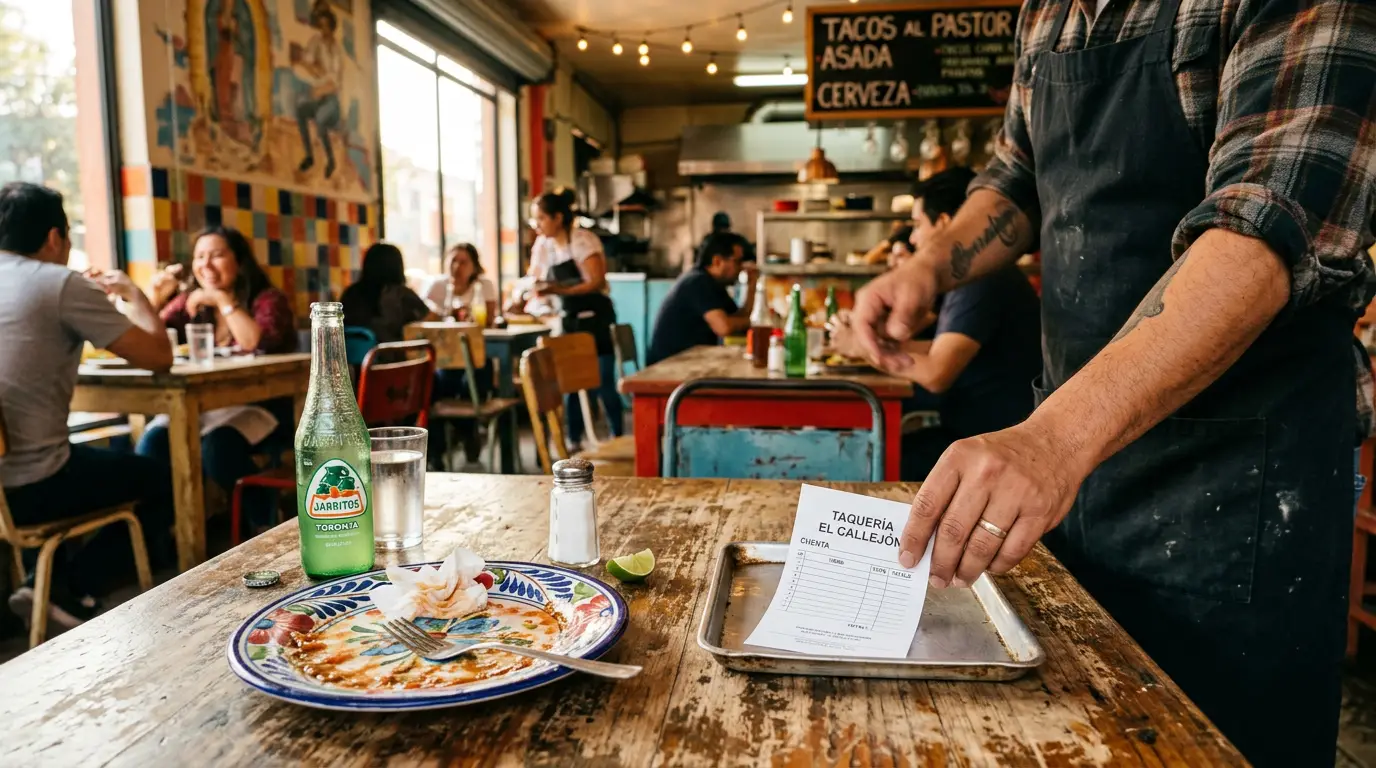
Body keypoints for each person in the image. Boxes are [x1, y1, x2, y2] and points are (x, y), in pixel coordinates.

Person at [848, 1, 1376, 763]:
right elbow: (1016, 177)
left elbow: (1268, 224)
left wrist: (1055, 438)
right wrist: (930, 267)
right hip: (1075, 468)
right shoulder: (1051, 12)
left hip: (1243, 488)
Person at [0, 182, 174, 629]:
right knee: (160, 478)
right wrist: (133, 293)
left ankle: (43, 584)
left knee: (90, 452)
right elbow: (159, 357)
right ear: (55, 238)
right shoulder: (59, 283)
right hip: (33, 487)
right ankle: (68, 588)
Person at [832, 169, 1041, 479]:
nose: (913, 237)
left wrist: (862, 346)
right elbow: (942, 347)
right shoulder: (974, 278)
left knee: (862, 464)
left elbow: (936, 374)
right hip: (977, 434)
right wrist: (874, 338)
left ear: (944, 223)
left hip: (994, 445)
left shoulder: (983, 280)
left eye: (917, 225)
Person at [138, 226, 297, 526]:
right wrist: (153, 300)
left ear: (239, 261)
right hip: (206, 406)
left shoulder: (267, 300)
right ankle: (162, 534)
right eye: (199, 257)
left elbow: (253, 341)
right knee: (154, 441)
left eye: (217, 255)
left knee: (217, 447)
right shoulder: (192, 301)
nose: (206, 265)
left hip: (265, 407)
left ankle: (262, 521)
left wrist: (223, 300)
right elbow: (148, 338)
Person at [525, 188, 622, 448]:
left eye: (541, 219)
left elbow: (596, 280)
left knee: (603, 381)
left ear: (558, 218)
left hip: (595, 318)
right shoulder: (543, 246)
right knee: (568, 383)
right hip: (568, 319)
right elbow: (535, 279)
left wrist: (558, 289)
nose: (537, 225)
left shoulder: (582, 240)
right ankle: (574, 440)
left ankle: (619, 437)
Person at [646, 233, 758, 366]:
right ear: (717, 261)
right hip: (669, 368)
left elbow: (739, 316)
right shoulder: (698, 282)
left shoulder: (714, 284)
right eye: (737, 262)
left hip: (687, 365)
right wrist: (753, 322)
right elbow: (724, 327)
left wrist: (752, 286)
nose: (741, 268)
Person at [341, 242, 432, 343]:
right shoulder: (401, 294)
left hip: (352, 355)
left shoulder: (351, 293)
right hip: (390, 353)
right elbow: (430, 318)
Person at [294, 1, 342, 178]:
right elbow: (305, 61)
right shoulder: (316, 42)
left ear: (331, 26)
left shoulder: (336, 50)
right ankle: (309, 156)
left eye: (326, 26)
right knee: (300, 110)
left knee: (321, 119)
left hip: (331, 100)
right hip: (319, 92)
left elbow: (335, 82)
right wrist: (314, 69)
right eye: (320, 26)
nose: (324, 30)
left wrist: (322, 88)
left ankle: (331, 160)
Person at [422, 243, 497, 323]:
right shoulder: (437, 285)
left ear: (475, 267)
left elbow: (489, 319)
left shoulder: (484, 285)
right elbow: (424, 315)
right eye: (453, 261)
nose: (456, 266)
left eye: (463, 263)